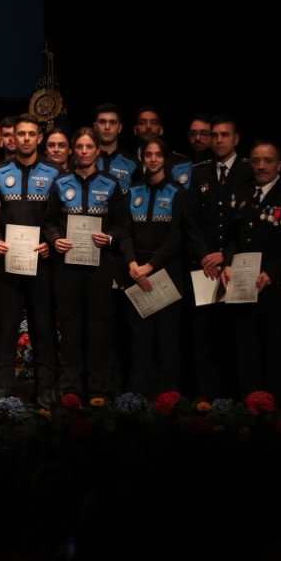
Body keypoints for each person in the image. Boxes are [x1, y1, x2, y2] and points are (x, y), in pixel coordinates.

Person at [46, 127, 131, 400]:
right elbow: (48, 222)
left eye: (88, 147)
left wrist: (109, 237)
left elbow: (122, 225)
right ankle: (70, 391)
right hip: (67, 268)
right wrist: (55, 239)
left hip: (99, 267)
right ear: (73, 150)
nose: (83, 152)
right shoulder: (60, 182)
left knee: (98, 328)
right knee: (70, 328)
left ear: (97, 151)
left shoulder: (110, 183)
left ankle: (99, 391)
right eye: (79, 147)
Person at [223, 140, 281, 404]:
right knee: (247, 356)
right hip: (244, 291)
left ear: (279, 164)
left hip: (277, 291)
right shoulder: (243, 195)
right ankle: (248, 415)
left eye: (267, 160)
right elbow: (233, 238)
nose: (261, 166)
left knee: (277, 358)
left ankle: (278, 417)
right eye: (256, 160)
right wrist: (228, 262)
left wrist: (273, 273)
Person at [183, 115, 253, 398]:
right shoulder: (199, 173)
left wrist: (226, 255)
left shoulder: (249, 172)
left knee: (236, 336)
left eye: (225, 135)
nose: (219, 140)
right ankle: (207, 399)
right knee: (204, 337)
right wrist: (204, 256)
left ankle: (236, 398)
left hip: (237, 266)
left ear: (236, 139)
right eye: (215, 135)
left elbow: (246, 222)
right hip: (205, 269)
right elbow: (191, 220)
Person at [0, 115, 60, 399]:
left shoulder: (56, 173)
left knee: (43, 326)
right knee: (5, 327)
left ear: (40, 137)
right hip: (7, 262)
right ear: (13, 138)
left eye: (32, 134)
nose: (27, 138)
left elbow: (61, 217)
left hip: (42, 261)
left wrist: (50, 243)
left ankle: (45, 387)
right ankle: (3, 386)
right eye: (21, 134)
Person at [122, 137, 186, 396]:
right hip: (135, 274)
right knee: (139, 341)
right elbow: (125, 233)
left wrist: (150, 266)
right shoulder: (134, 191)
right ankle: (138, 399)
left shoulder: (177, 192)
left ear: (166, 159)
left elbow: (176, 237)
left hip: (165, 274)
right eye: (148, 154)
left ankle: (167, 399)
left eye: (158, 154)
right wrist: (133, 264)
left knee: (166, 341)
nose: (153, 159)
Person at [92, 103, 138, 187]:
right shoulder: (81, 160)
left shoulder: (132, 164)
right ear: (95, 127)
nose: (107, 127)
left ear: (119, 128)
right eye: (102, 122)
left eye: (112, 122)